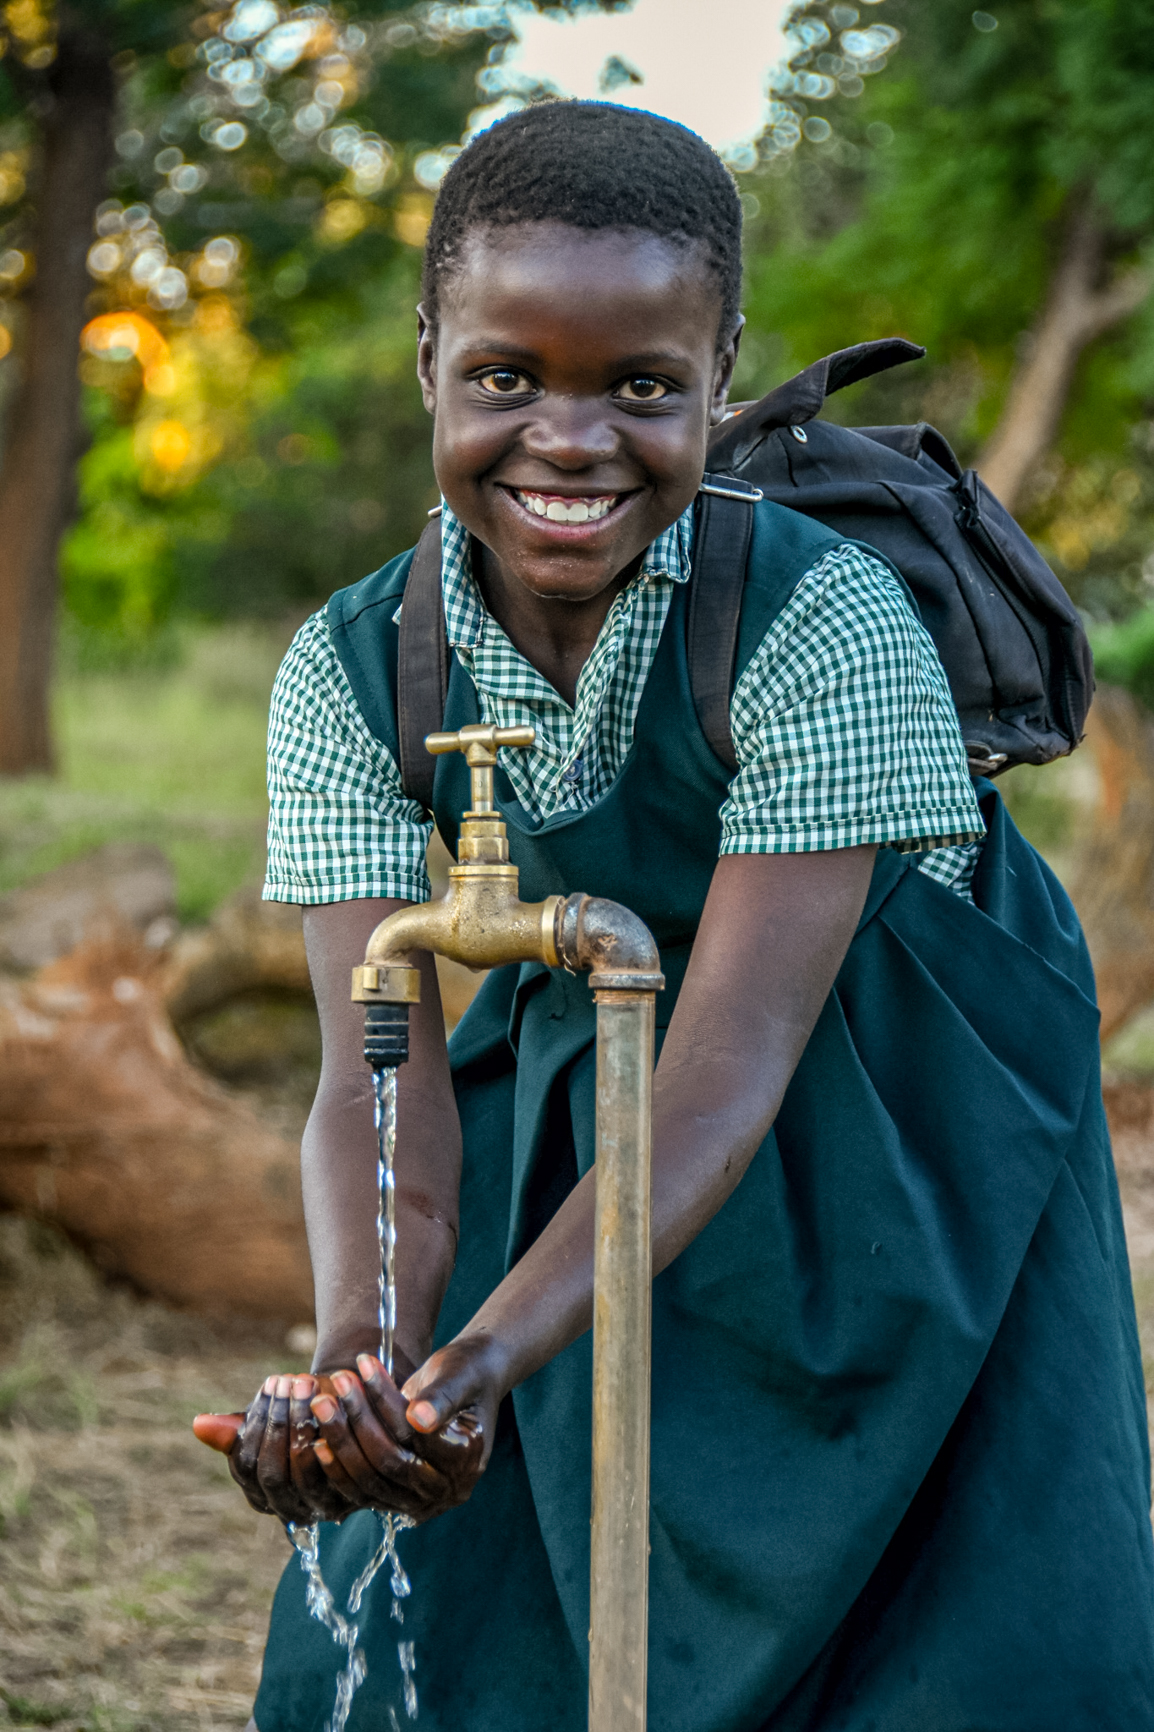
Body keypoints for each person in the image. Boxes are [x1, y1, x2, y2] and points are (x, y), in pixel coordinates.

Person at [194, 101, 1154, 1730]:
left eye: (640, 387)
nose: (568, 440)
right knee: (518, 1592)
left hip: (895, 1070)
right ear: (429, 360)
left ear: (717, 381)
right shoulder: (355, 664)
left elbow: (732, 1067)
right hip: (604, 1042)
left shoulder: (821, 618)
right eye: (506, 375)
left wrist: (487, 1364)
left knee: (950, 1594)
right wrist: (370, 1359)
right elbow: (373, 1065)